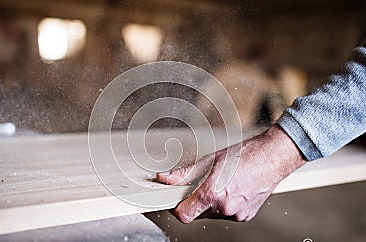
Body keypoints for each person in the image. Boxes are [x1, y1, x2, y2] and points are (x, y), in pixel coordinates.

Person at [156, 41, 366, 224]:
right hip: (229, 129)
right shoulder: (260, 78)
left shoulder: (235, 73)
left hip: (223, 130)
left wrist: (277, 152)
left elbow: (204, 102)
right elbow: (278, 106)